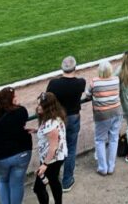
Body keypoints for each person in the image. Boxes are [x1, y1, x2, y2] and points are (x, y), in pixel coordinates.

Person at [0, 87, 32, 204]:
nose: (16, 98)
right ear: (10, 99)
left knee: (3, 181)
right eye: (14, 96)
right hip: (20, 153)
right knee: (16, 184)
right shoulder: (20, 111)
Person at [46, 56, 85, 193]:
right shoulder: (80, 83)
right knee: (71, 149)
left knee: (56, 148)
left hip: (58, 119)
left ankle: (53, 178)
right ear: (75, 67)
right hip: (73, 118)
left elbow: (47, 98)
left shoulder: (54, 84)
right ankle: (67, 180)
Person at [84, 61, 121, 176]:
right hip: (116, 112)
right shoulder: (116, 79)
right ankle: (111, 167)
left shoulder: (95, 82)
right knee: (114, 139)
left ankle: (102, 168)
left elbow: (87, 95)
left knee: (100, 140)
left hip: (102, 115)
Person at [32, 92, 66, 204]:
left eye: (40, 105)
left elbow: (53, 146)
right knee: (53, 181)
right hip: (54, 157)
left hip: (51, 160)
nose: (38, 107)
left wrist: (45, 164)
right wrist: (37, 131)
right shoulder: (54, 118)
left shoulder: (51, 123)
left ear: (48, 107)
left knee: (38, 188)